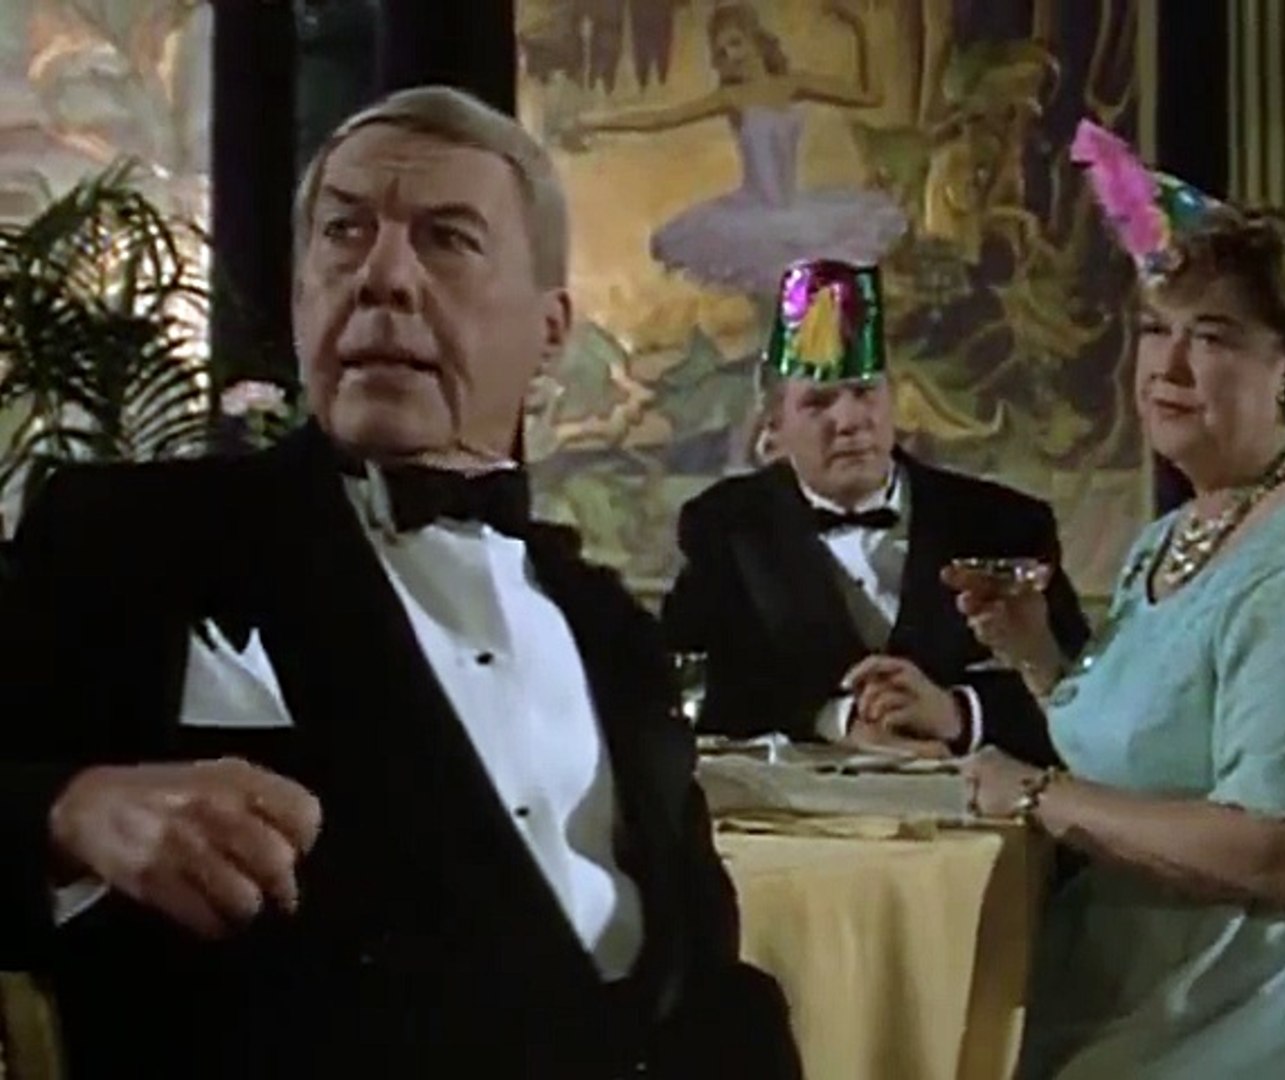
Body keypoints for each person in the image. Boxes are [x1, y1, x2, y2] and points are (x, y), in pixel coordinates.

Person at [0, 85, 800, 1080]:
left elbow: (699, 968)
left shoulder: (613, 632)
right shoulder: (133, 535)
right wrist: (68, 813)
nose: (382, 276)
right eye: (344, 232)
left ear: (550, 332)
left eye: (447, 239)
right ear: (302, 292)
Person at [950, 121, 1285, 1077]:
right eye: (1157, 330)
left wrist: (1033, 793)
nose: (1170, 367)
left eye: (1214, 337)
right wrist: (1039, 659)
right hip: (1146, 979)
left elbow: (1282, 853)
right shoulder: (1182, 531)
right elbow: (1163, 751)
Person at [663, 258, 1089, 762]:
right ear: (773, 425)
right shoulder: (725, 525)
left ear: (892, 401)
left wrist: (959, 712)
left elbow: (1087, 689)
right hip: (804, 808)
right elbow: (687, 682)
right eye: (818, 403)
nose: (849, 420)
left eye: (865, 392)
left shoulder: (1005, 524)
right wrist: (834, 718)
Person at [572, 0, 907, 298]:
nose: (731, 55)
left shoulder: (793, 84)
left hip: (798, 212)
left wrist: (859, 28)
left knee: (811, 295)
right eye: (722, 51)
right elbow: (660, 119)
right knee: (774, 296)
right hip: (749, 220)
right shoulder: (731, 98)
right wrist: (593, 123)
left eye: (735, 43)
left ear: (755, 40)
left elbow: (871, 96)